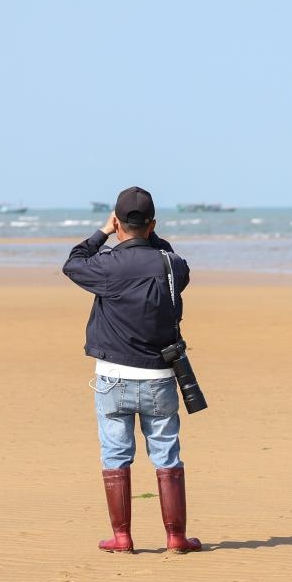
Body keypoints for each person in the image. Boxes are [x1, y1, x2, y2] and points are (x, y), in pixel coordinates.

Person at [63, 186, 201, 553]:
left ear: (117, 222)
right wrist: (148, 235)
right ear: (152, 223)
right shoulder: (170, 264)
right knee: (167, 455)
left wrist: (103, 233)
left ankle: (121, 537)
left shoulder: (105, 264)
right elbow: (171, 256)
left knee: (115, 454)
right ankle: (176, 537)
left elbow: (73, 262)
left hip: (112, 377)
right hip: (159, 377)